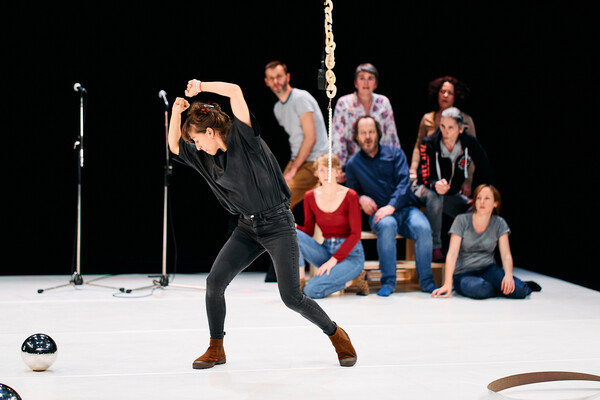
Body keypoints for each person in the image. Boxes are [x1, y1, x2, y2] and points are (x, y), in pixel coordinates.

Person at [168, 79, 357, 369]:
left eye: (197, 139)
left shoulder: (244, 139)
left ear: (210, 131)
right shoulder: (205, 158)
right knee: (214, 282)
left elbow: (235, 91)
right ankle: (216, 348)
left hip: (278, 223)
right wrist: (176, 113)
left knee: (292, 297)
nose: (196, 146)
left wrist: (202, 86)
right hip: (247, 228)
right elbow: (174, 147)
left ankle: (335, 334)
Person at [345, 115, 438, 296]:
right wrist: (361, 198)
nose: (368, 136)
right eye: (363, 133)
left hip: (405, 208)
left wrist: (392, 206)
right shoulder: (353, 164)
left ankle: (426, 282)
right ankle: (388, 282)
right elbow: (351, 193)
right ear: (357, 137)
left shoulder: (395, 154)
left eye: (371, 131)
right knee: (387, 225)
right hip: (380, 214)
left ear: (378, 133)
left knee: (423, 227)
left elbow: (404, 184)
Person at [432, 185, 539, 299]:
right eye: (479, 198)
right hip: (464, 273)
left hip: (489, 269)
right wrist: (448, 283)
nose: (482, 202)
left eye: (487, 198)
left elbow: (506, 255)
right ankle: (495, 288)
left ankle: (506, 286)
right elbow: (452, 254)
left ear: (495, 203)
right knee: (481, 289)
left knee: (520, 291)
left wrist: (508, 275)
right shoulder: (461, 220)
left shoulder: (499, 223)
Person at [414, 107, 493, 261]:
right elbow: (423, 176)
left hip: (449, 194)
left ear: (461, 129)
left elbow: (486, 168)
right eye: (442, 126)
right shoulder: (429, 143)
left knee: (474, 209)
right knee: (435, 196)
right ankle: (435, 248)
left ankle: (472, 254)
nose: (445, 131)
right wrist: (434, 185)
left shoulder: (469, 143)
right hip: (424, 190)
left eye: (451, 127)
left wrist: (481, 197)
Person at [296, 153, 368, 298]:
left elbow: (356, 234)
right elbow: (309, 231)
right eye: (322, 170)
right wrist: (295, 227)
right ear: (316, 173)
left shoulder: (350, 195)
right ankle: (300, 281)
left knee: (312, 291)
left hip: (351, 255)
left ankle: (354, 280)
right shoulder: (310, 196)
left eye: (330, 169)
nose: (326, 174)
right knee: (291, 232)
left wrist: (333, 261)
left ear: (337, 171)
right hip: (326, 250)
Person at [264, 61, 329, 210]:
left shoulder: (300, 98)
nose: (276, 81)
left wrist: (293, 170)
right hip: (299, 159)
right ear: (266, 82)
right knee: (271, 195)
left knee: (282, 199)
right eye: (271, 78)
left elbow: (311, 137)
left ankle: (282, 232)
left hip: (316, 160)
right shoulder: (277, 108)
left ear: (288, 77)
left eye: (279, 76)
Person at [331, 63, 400, 181]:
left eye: (370, 78)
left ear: (376, 83)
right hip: (353, 167)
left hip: (380, 164)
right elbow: (338, 138)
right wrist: (338, 168)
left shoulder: (383, 102)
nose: (366, 83)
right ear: (355, 83)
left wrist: (396, 164)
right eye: (362, 78)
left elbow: (391, 136)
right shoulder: (344, 103)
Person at [409, 76, 477, 181]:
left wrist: (468, 180)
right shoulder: (427, 119)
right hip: (430, 177)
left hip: (455, 177)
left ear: (455, 96)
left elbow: (472, 151)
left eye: (450, 93)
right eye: (442, 91)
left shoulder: (465, 121)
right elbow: (418, 147)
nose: (445, 95)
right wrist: (413, 168)